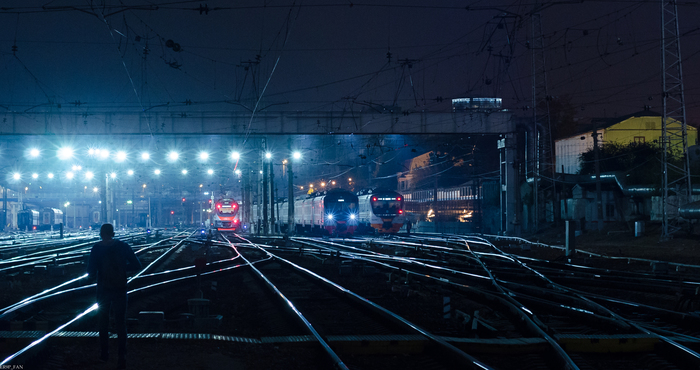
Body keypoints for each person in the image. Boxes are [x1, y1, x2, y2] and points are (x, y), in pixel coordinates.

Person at [87, 224, 141, 369]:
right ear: (113, 233)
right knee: (120, 323)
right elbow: (137, 265)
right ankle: (122, 357)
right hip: (120, 288)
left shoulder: (96, 248)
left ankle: (104, 354)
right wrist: (123, 269)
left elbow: (91, 272)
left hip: (103, 289)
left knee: (103, 322)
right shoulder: (123, 246)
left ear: (100, 234)